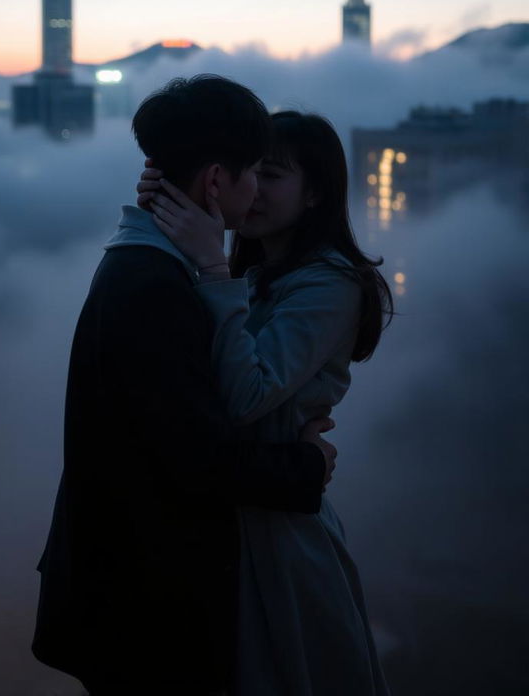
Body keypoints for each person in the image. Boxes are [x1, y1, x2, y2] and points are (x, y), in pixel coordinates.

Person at [32, 79, 338, 696]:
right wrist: (308, 465)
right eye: (253, 172)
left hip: (132, 596)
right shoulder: (155, 284)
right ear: (217, 182)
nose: (254, 194)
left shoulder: (148, 264)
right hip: (145, 609)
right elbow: (198, 462)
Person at [137, 110, 393, 696]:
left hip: (280, 534)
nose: (252, 189)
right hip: (244, 509)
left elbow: (247, 394)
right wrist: (170, 213)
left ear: (316, 194)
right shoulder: (259, 274)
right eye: (248, 172)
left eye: (272, 174)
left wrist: (210, 263)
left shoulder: (330, 282)